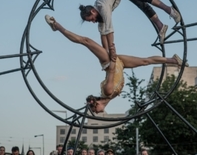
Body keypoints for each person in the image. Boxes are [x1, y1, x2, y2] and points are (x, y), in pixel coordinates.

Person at [45, 15, 188, 113]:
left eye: (96, 111)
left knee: (86, 41)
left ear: (97, 105)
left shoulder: (107, 92)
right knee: (145, 61)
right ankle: (174, 60)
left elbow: (112, 72)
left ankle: (56, 26)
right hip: (120, 63)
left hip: (110, 62)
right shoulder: (109, 97)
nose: (99, 113)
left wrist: (113, 57)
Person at [79, 0, 181, 61]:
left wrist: (112, 50)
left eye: (91, 19)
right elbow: (102, 34)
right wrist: (105, 54)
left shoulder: (103, 7)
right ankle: (161, 26)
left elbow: (109, 31)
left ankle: (169, 10)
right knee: (140, 4)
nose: (93, 21)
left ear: (93, 11)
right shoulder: (99, 16)